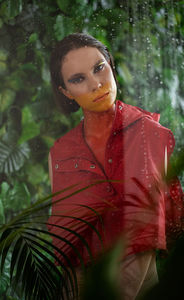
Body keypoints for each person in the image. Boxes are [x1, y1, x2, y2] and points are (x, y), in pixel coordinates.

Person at [47, 33, 184, 299]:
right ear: (66, 92)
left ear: (110, 63)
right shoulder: (61, 151)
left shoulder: (147, 133)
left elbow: (144, 236)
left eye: (99, 68)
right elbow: (67, 242)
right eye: (78, 79)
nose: (96, 84)